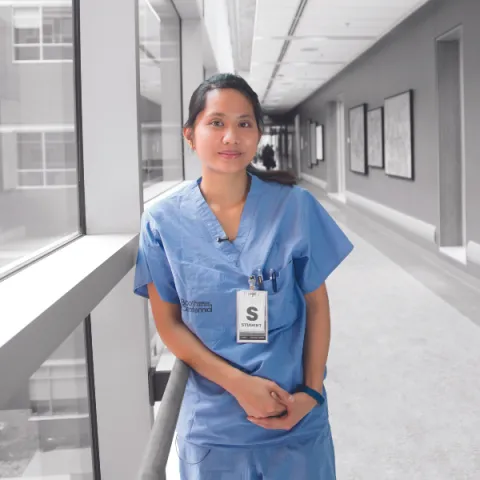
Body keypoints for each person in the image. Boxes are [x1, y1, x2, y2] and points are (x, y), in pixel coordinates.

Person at [134, 73, 353, 479]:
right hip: (214, 429)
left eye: (244, 123)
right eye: (216, 122)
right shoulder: (162, 222)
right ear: (190, 134)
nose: (231, 136)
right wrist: (239, 384)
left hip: (295, 415)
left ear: (258, 134)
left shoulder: (295, 207)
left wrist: (311, 391)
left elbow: (317, 306)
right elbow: (168, 324)